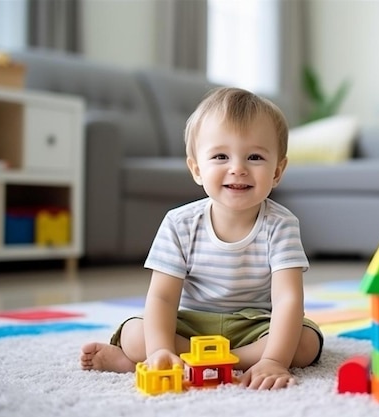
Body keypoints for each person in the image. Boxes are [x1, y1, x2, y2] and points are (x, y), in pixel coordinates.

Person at [80, 87, 323, 390]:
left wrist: (274, 360)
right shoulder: (179, 223)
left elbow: (288, 300)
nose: (237, 168)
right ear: (196, 168)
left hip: (255, 325)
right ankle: (166, 358)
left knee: (305, 343)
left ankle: (217, 361)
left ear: (277, 171)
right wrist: (159, 350)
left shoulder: (281, 225)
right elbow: (162, 297)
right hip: (192, 323)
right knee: (136, 334)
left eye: (255, 157)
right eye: (221, 156)